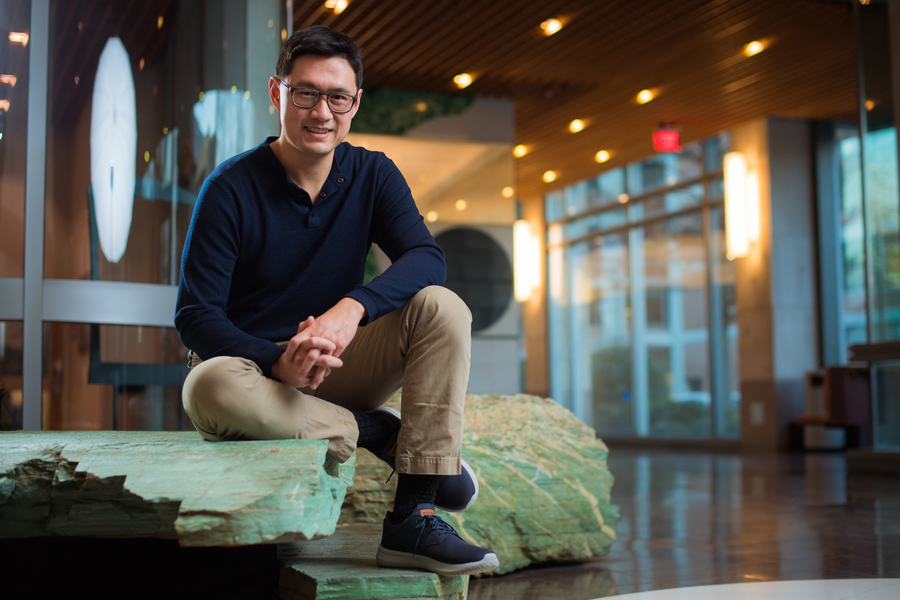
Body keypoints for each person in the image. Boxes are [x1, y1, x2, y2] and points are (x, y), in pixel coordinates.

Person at [174, 25, 498, 576]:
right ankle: (383, 434)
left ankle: (412, 521)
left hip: (338, 360)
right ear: (278, 95)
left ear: (355, 104)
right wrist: (276, 359)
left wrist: (352, 309)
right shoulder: (229, 188)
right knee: (209, 384)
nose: (322, 111)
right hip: (253, 371)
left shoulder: (372, 173)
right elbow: (195, 315)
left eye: (338, 97)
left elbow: (426, 258)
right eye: (306, 93)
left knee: (443, 306)